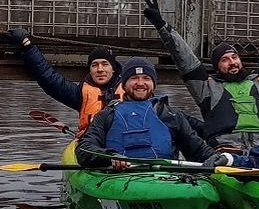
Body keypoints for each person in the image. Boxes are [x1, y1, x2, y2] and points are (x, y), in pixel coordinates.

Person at [143, 0, 259, 152]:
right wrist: (161, 26)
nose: (232, 62)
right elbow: (184, 58)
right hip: (225, 150)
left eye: (234, 57)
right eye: (225, 60)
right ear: (217, 67)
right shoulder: (206, 88)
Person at [75, 57, 226, 170]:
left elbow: (197, 149)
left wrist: (217, 158)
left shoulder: (170, 114)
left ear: (153, 84)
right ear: (124, 85)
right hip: (117, 178)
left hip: (164, 180)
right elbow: (84, 149)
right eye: (134, 78)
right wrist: (109, 157)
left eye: (146, 78)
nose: (140, 83)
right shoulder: (107, 115)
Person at [7, 28, 123, 135]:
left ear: (113, 69)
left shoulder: (129, 91)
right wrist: (27, 45)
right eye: (95, 65)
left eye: (105, 64)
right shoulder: (80, 94)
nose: (100, 69)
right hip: (91, 143)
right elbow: (49, 78)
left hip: (122, 142)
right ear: (90, 70)